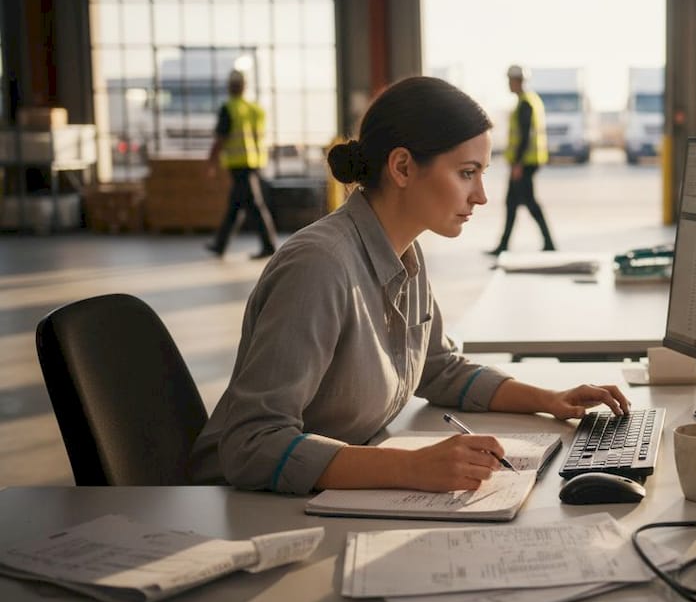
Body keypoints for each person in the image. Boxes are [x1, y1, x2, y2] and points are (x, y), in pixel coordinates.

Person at [189, 76, 628, 494]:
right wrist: (411, 467)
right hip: (237, 507)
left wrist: (551, 400)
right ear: (402, 167)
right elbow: (253, 446)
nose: (481, 196)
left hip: (319, 496)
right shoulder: (318, 266)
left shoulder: (404, 254)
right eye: (466, 173)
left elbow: (439, 369)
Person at [205, 69, 279, 259]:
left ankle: (269, 245)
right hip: (255, 162)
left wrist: (211, 162)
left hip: (240, 165)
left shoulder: (229, 108)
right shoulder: (254, 109)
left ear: (230, 87)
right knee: (236, 205)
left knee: (254, 204)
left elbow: (221, 138)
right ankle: (220, 245)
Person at [488, 64, 557, 256]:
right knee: (512, 202)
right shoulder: (527, 101)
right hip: (525, 161)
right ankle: (504, 245)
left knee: (529, 203)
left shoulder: (526, 103)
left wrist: (517, 163)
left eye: (510, 80)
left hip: (525, 162)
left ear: (518, 81)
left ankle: (549, 243)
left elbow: (525, 135)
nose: (508, 84)